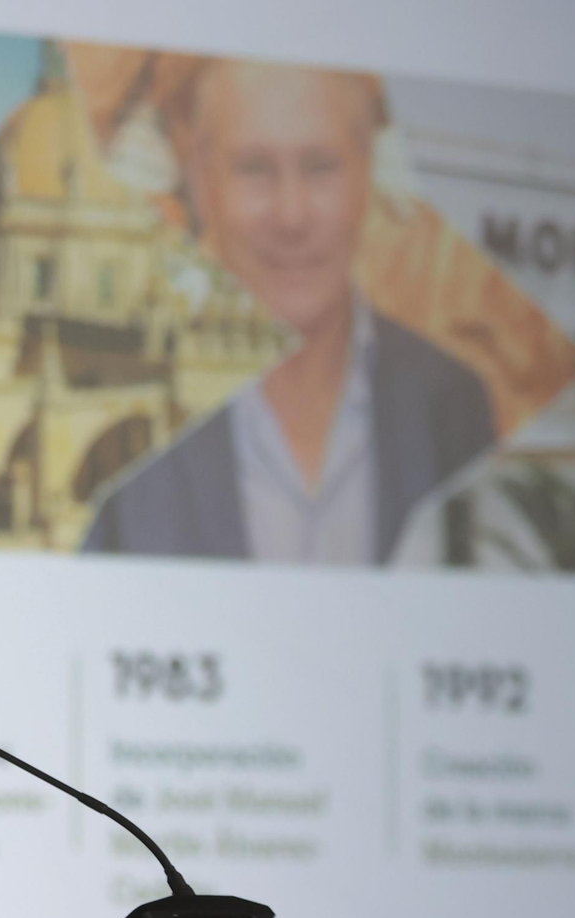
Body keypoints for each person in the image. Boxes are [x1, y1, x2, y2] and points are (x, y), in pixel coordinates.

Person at [83, 61, 495, 564]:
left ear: (366, 174)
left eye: (321, 166)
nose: (292, 215)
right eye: (254, 168)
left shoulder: (451, 403)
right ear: (198, 178)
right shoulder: (122, 422)